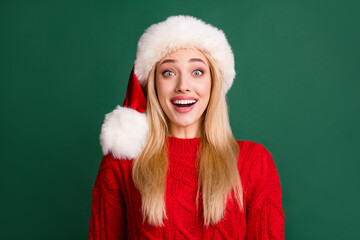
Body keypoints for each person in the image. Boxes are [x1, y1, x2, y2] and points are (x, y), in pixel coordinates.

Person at [89, 15, 284, 239]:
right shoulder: (122, 163)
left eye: (197, 72)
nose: (183, 86)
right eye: (168, 73)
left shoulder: (254, 162)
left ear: (213, 83)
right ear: (153, 84)